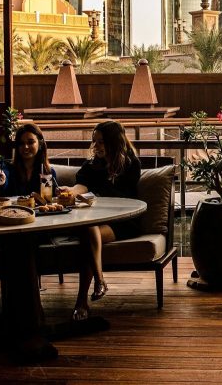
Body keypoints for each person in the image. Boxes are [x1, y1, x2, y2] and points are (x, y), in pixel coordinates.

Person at [63, 121, 141, 321]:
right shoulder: (91, 165)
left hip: (122, 221)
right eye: (94, 141)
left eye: (101, 142)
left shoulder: (130, 164)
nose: (95, 146)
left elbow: (123, 197)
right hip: (94, 221)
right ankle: (99, 280)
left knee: (87, 235)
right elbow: (81, 185)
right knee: (89, 228)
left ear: (113, 142)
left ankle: (82, 302)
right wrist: (70, 192)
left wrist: (93, 195)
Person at [0, 123, 57, 197]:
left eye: (30, 142)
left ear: (40, 144)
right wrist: (2, 180)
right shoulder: (8, 169)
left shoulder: (49, 172)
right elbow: (3, 187)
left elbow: (52, 199)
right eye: (21, 143)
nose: (25, 147)